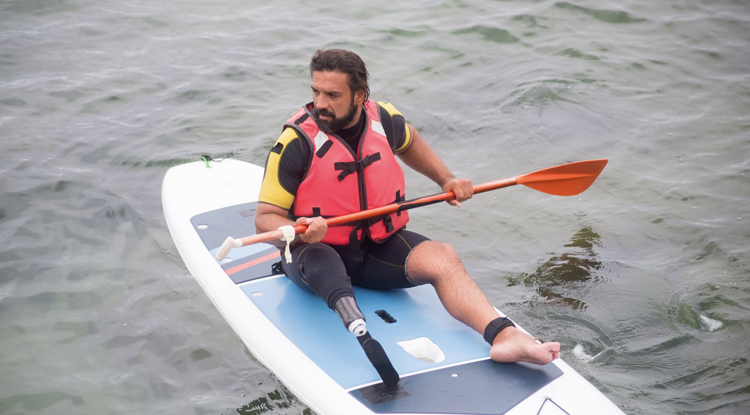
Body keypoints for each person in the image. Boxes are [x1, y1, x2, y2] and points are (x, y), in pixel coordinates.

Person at [255, 49, 560, 383]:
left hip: (376, 245)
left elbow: (410, 141)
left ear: (360, 96)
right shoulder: (296, 142)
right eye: (315, 92)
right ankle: (357, 326)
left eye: (332, 94)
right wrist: (300, 231)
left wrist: (446, 179)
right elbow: (266, 218)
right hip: (315, 251)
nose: (320, 103)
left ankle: (505, 337)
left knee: (443, 257)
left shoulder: (382, 119)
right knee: (324, 262)